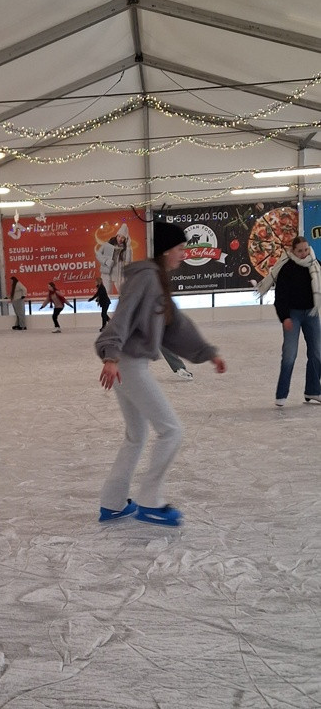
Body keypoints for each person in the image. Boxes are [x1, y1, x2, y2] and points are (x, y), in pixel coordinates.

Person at [95, 222, 226, 526]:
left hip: (127, 363)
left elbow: (175, 326)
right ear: (166, 250)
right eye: (180, 249)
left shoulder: (157, 280)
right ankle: (150, 501)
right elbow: (123, 315)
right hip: (128, 363)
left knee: (137, 435)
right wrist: (110, 354)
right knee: (171, 430)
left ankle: (113, 503)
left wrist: (207, 352)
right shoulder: (147, 278)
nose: (184, 254)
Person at [256, 235, 321, 407]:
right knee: (289, 355)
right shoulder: (287, 268)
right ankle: (281, 394)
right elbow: (280, 297)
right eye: (300, 251)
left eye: (306, 249)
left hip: (312, 314)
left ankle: (313, 390)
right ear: (293, 251)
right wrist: (285, 317)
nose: (304, 253)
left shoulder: (315, 265)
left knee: (317, 353)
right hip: (293, 315)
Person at [95, 223, 132, 294]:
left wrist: (128, 247)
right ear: (116, 235)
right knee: (107, 294)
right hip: (107, 274)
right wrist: (106, 261)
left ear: (125, 239)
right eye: (119, 236)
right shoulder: (108, 245)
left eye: (123, 237)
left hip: (119, 275)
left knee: (123, 293)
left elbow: (128, 261)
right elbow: (98, 254)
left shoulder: (126, 248)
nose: (120, 239)